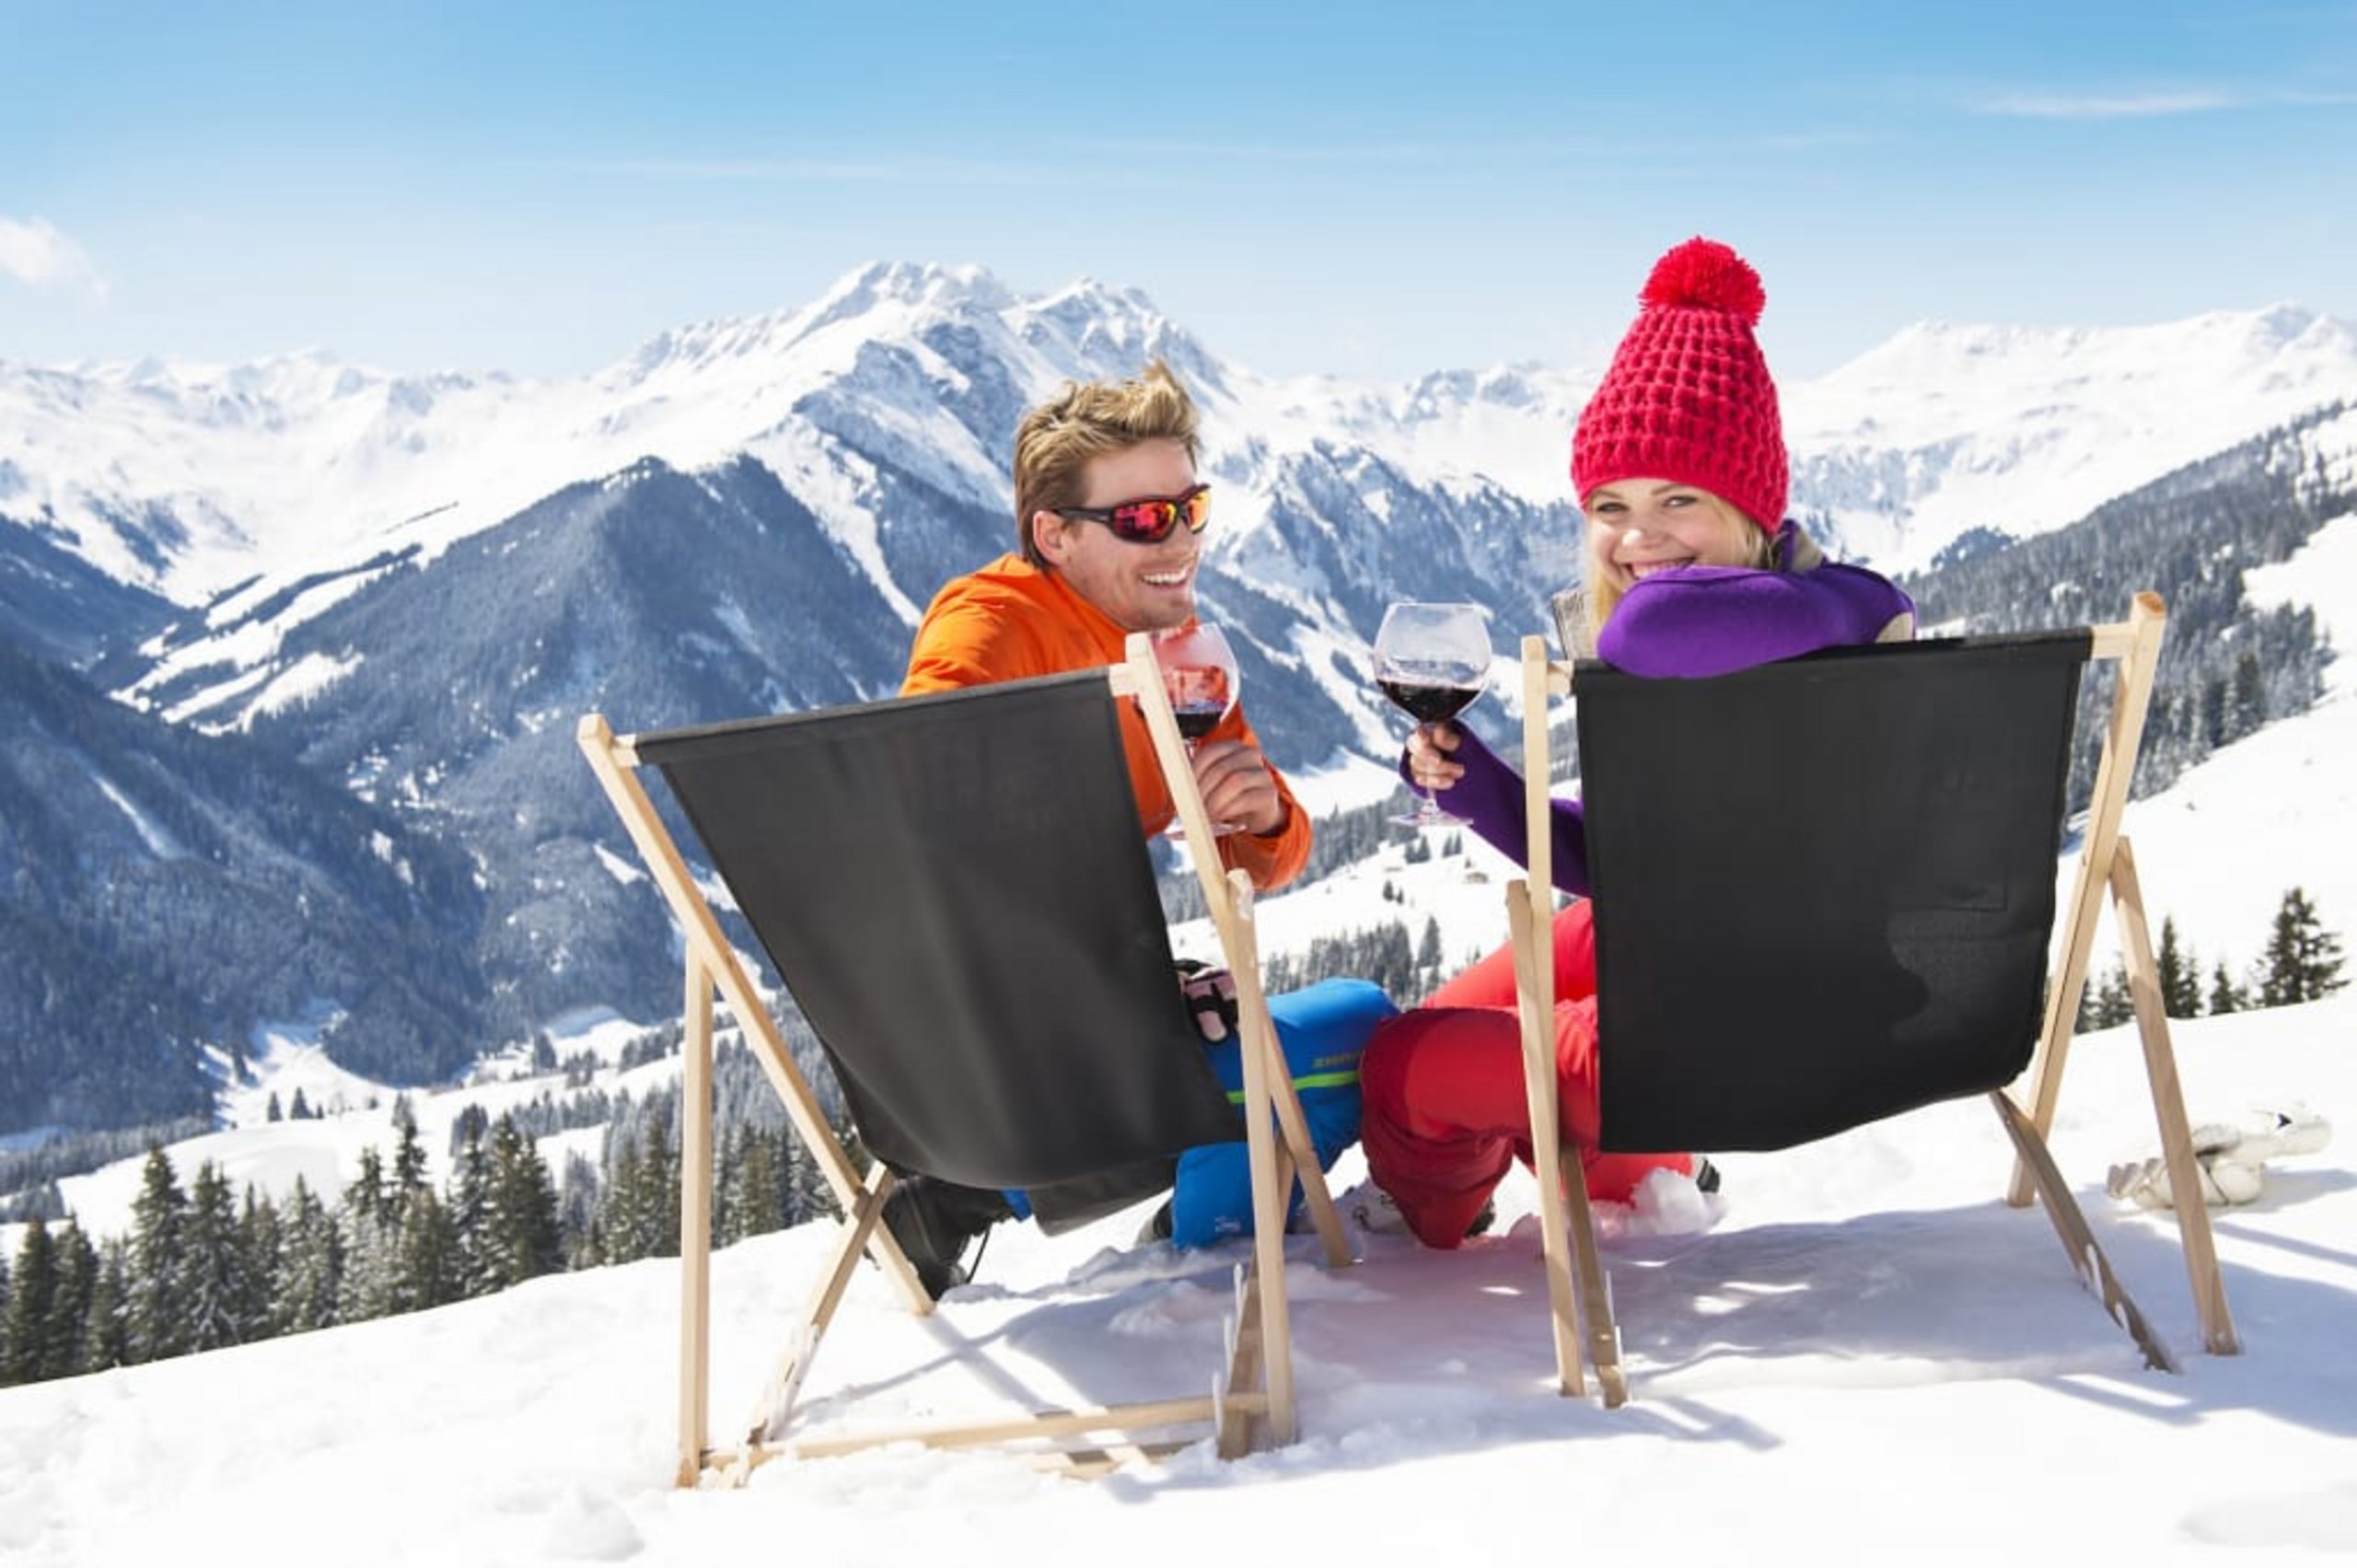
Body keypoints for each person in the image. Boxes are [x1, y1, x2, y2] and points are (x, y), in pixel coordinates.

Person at [1354, 237, 1918, 1250]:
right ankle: (1634, 1168)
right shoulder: (1785, 611)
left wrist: (1633, 609)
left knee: (1398, 1064)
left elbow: (1647, 628)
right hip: (1695, 956)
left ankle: (1432, 1222)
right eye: (1610, 507)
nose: (1635, 537)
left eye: (1677, 500)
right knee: (1441, 1013)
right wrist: (1481, 788)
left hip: (1757, 1021)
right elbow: (1625, 857)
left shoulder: (1793, 616)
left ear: (1750, 507)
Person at [884, 360, 1389, 1293]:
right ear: (1054, 534)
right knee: (1363, 1031)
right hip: (1013, 1055)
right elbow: (918, 797)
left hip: (1086, 1032)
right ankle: (1197, 1268)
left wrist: (1262, 814)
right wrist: (1115, 985)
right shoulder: (995, 622)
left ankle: (974, 1199)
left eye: (1191, 509)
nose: (1181, 539)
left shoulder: (1175, 648)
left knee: (1326, 1025)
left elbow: (1272, 855)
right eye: (1146, 519)